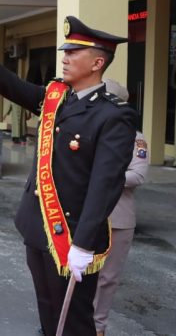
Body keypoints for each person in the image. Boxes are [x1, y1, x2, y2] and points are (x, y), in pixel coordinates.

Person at [0, 16, 137, 335]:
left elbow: (105, 184)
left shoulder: (114, 115)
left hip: (70, 237)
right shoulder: (58, 97)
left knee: (73, 320)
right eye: (65, 52)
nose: (64, 58)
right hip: (37, 224)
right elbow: (20, 90)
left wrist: (83, 244)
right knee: (47, 309)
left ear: (97, 62)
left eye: (73, 53)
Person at [93, 80, 147, 336]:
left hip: (118, 217)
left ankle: (97, 326)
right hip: (83, 214)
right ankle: (68, 320)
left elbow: (138, 175)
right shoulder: (87, 130)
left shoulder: (135, 139)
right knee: (77, 272)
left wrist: (101, 176)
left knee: (108, 278)